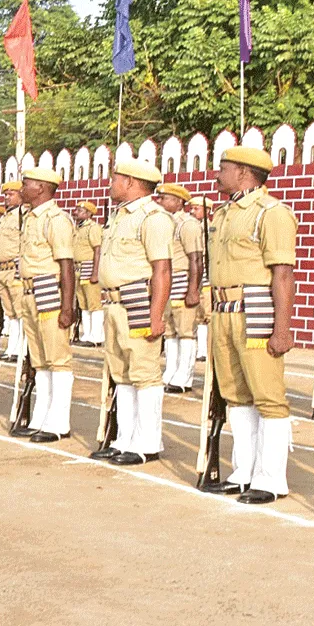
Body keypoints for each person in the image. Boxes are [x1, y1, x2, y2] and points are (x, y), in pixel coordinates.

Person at [198, 147, 298, 503]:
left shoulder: (271, 213)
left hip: (255, 308)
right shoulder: (224, 213)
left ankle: (271, 479)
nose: (216, 173)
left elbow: (283, 274)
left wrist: (282, 328)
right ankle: (244, 471)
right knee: (235, 395)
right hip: (224, 308)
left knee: (267, 396)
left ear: (243, 173)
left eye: (223, 168)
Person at [88, 160, 173, 466]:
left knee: (144, 374)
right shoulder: (119, 216)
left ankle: (147, 443)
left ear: (133, 182)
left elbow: (162, 270)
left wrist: (156, 314)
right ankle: (125, 439)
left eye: (116, 179)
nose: (111, 183)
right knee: (121, 374)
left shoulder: (153, 218)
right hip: (114, 303)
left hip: (138, 301)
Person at [11, 167, 76, 442]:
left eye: (26, 184)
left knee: (57, 359)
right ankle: (41, 417)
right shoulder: (30, 218)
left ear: (41, 188)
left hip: (48, 290)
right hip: (29, 292)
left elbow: (66, 265)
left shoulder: (56, 219)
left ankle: (58, 422)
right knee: (39, 360)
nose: (21, 189)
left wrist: (67, 306)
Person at [155, 184, 204, 394]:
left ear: (178, 201)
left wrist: (193, 290)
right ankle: (171, 372)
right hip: (167, 282)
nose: (160, 201)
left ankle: (185, 376)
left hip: (182, 279)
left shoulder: (188, 224)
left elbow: (196, 259)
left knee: (185, 331)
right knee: (170, 331)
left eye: (165, 198)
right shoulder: (163, 223)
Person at [0, 181, 26, 362]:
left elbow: (24, 243)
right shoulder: (6, 217)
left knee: (20, 312)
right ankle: (12, 348)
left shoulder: (23, 216)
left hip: (14, 269)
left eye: (11, 194)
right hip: (1, 269)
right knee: (11, 313)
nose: (7, 197)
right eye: (6, 194)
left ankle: (21, 350)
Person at [187, 197, 215, 363]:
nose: (192, 211)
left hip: (207, 277)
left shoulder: (211, 229)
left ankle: (206, 350)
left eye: (196, 208)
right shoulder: (191, 227)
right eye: (192, 208)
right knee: (197, 316)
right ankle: (200, 349)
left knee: (207, 315)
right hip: (195, 277)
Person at [73, 201, 104, 346]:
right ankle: (87, 334)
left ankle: (96, 336)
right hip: (77, 268)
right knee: (83, 304)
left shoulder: (93, 228)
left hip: (88, 266)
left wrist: (95, 272)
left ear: (89, 214)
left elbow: (98, 250)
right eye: (76, 209)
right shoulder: (76, 228)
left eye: (80, 210)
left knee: (94, 304)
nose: (76, 212)